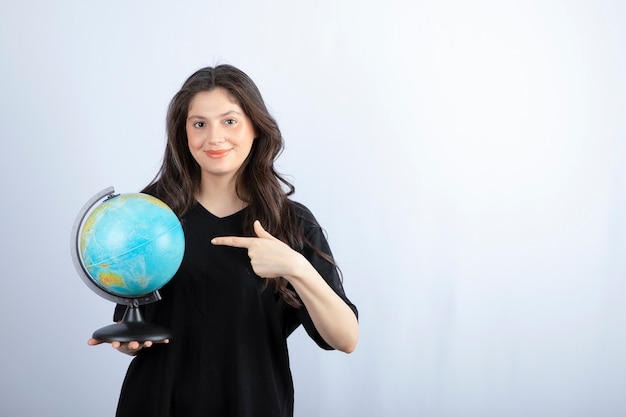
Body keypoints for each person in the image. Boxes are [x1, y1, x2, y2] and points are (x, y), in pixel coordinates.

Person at [88, 64, 359, 417]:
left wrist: (295, 266)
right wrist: (130, 344)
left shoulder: (290, 222)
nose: (214, 138)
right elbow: (133, 319)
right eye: (199, 124)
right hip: (157, 403)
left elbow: (346, 339)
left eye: (229, 121)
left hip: (253, 404)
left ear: (256, 128)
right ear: (183, 133)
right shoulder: (150, 214)